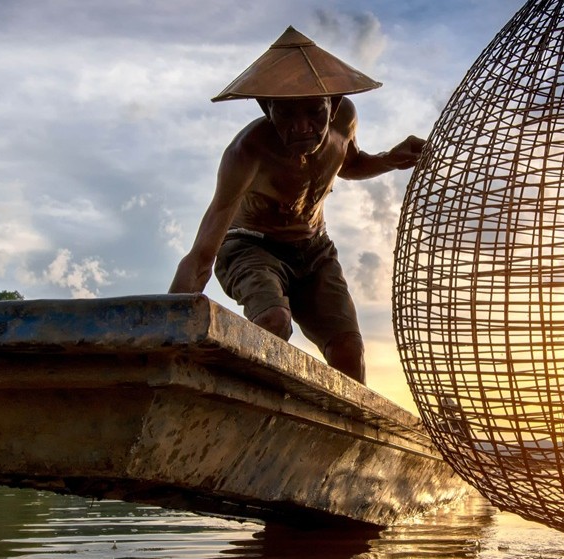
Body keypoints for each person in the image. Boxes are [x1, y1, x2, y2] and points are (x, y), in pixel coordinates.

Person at [169, 26, 424, 385]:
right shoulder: (247, 152)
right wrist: (166, 330)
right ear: (266, 108)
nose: (301, 127)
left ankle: (343, 437)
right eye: (286, 114)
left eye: (313, 112)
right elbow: (202, 254)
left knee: (349, 350)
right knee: (273, 321)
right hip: (250, 245)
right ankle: (253, 412)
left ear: (333, 105)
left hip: (315, 250)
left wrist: (389, 159)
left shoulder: (344, 119)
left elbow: (348, 164)